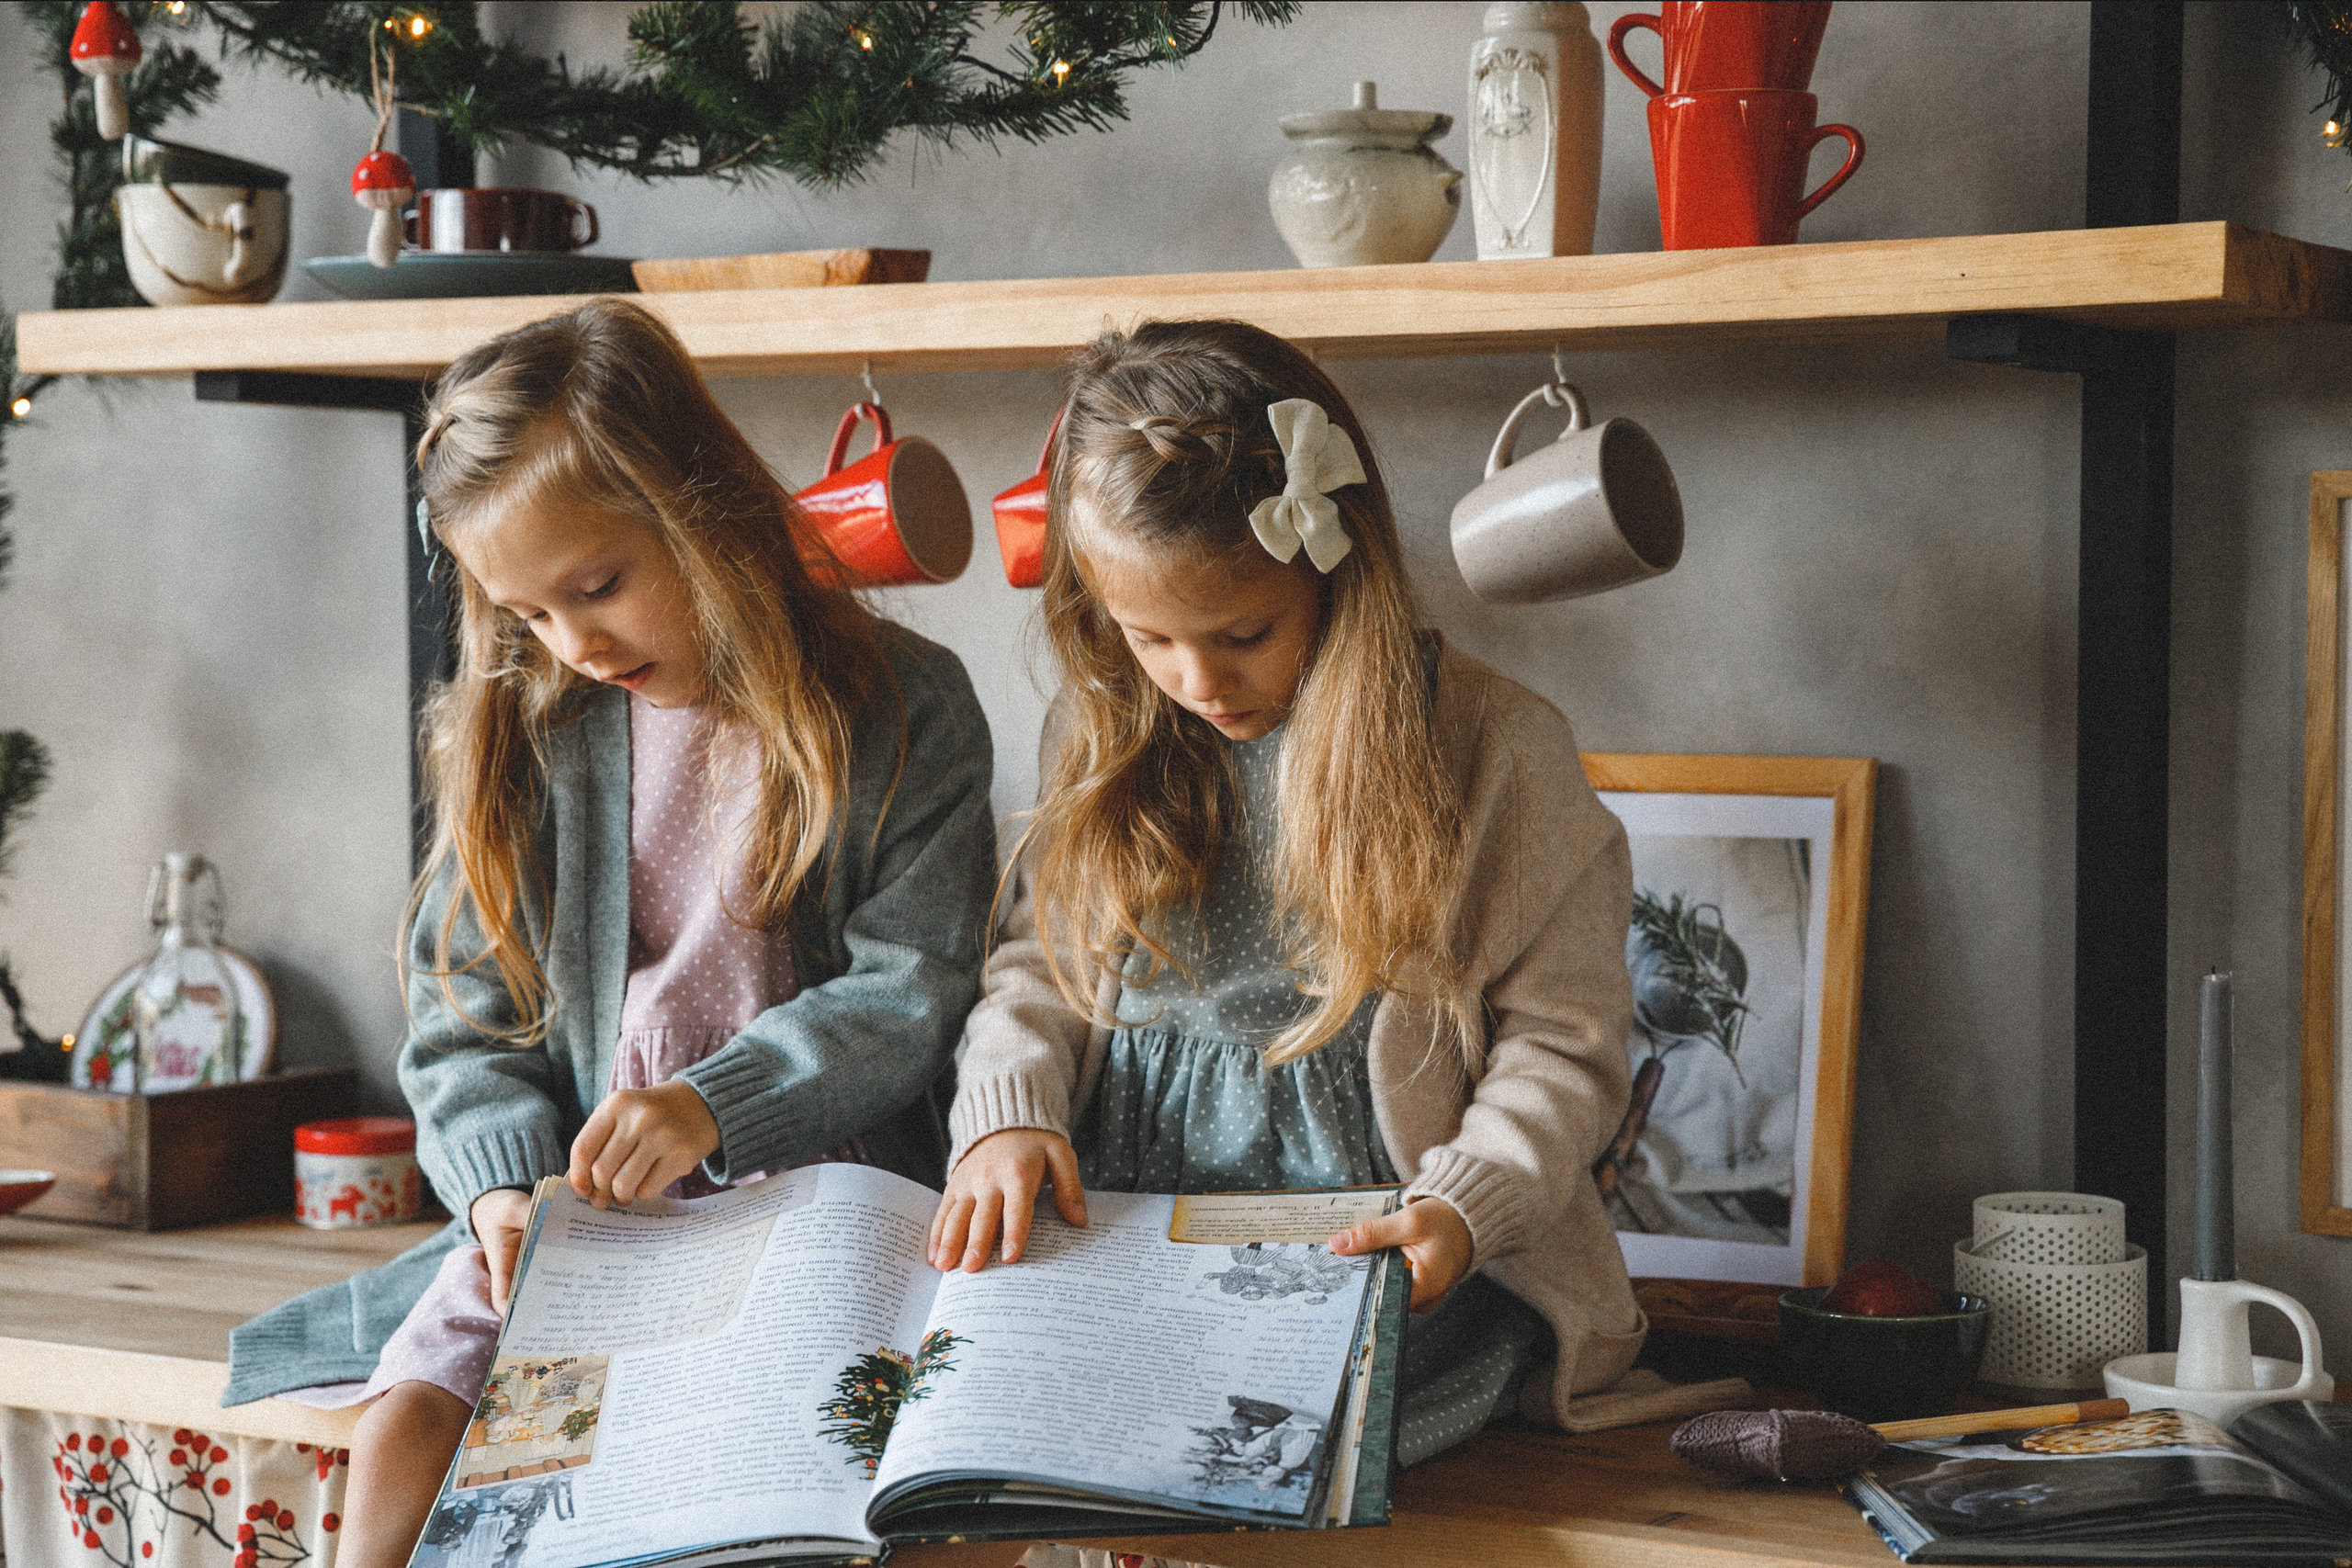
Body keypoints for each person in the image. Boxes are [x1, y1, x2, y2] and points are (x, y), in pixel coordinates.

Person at [224, 299, 996, 1568]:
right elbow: (463, 1007)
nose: (573, 644)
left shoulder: (899, 707)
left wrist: (713, 1106)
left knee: (816, 1461)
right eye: (527, 614)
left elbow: (913, 987)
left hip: (821, 1187)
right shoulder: (529, 731)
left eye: (598, 587)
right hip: (580, 1208)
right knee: (413, 1410)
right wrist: (505, 1190)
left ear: (705, 509)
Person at [930, 320, 1646, 1503]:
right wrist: (1010, 1110)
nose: (1197, 682)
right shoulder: (1107, 730)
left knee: (1270, 1459)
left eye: (1241, 633)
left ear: (1336, 563)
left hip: (1387, 1253)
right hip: (1126, 1234)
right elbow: (1035, 967)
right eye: (1147, 636)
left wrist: (1462, 1207)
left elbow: (1562, 1044)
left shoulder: (1498, 749)